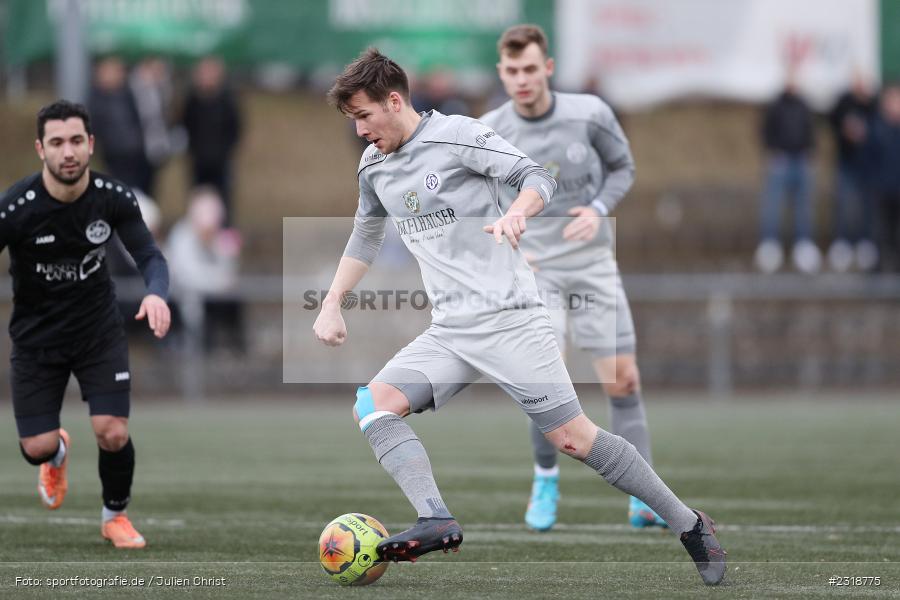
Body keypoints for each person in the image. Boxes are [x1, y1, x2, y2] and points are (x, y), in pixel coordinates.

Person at [313, 48, 726, 585]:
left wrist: (515, 211)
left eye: (364, 116)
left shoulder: (458, 135)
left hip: (511, 321)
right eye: (352, 121)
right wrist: (330, 302)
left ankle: (690, 524)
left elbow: (538, 177)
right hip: (451, 331)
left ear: (395, 100)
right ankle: (436, 518)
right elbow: (365, 235)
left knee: (575, 440)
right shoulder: (372, 166)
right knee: (373, 406)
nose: (360, 130)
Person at [479, 24, 665, 533]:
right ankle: (545, 480)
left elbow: (622, 168)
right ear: (502, 72)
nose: (521, 79)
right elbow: (478, 199)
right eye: (512, 71)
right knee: (545, 384)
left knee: (623, 379)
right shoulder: (489, 129)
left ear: (548, 69)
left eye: (530, 69)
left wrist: (600, 207)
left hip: (592, 265)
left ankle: (643, 494)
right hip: (535, 274)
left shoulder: (591, 113)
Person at [1, 100, 171, 549]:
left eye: (76, 140)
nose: (68, 151)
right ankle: (54, 452)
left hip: (97, 333)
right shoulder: (16, 207)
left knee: (112, 431)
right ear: (41, 149)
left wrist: (155, 292)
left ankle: (115, 516)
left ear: (90, 144)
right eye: (57, 142)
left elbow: (150, 255)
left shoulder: (112, 198)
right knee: (34, 446)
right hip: (36, 340)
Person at [754, 66, 820, 274]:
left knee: (803, 205)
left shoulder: (804, 104)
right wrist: (773, 151)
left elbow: (811, 131)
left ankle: (804, 245)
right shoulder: (776, 104)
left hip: (801, 160)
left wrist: (810, 151)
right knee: (773, 205)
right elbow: (765, 131)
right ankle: (770, 245)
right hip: (780, 161)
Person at [827, 71, 878, 272]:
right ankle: (842, 243)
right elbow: (832, 121)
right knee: (842, 204)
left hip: (867, 165)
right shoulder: (843, 101)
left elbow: (878, 129)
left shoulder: (873, 104)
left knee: (867, 206)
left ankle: (865, 242)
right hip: (846, 162)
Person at [181, 57, 242, 224]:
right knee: (198, 197)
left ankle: (224, 233)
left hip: (221, 161)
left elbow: (235, 128)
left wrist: (225, 150)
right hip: (198, 160)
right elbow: (185, 125)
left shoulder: (227, 99)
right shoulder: (192, 100)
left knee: (223, 199)